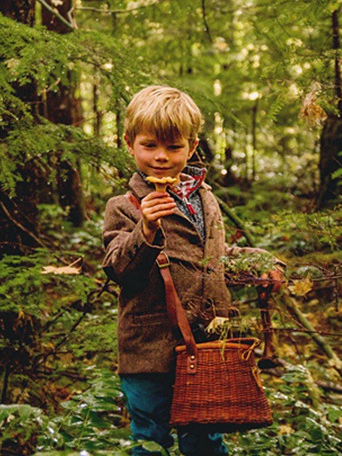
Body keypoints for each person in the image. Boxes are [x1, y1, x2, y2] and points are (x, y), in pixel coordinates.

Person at [102, 85, 284, 456]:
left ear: (192, 146)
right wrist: (146, 229)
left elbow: (213, 256)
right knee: (152, 440)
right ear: (129, 143)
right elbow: (119, 268)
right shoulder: (124, 206)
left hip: (206, 345)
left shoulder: (204, 198)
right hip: (149, 352)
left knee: (206, 440)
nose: (161, 158)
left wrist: (261, 262)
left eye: (174, 147)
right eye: (149, 145)